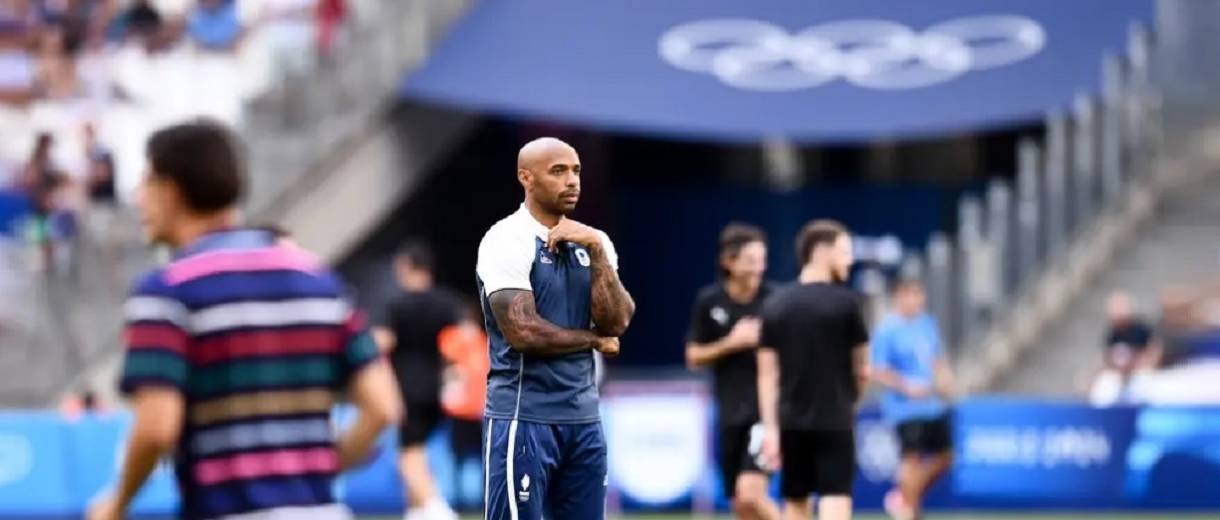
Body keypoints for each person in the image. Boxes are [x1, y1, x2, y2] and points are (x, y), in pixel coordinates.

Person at [86, 120, 402, 520]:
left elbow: (156, 428)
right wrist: (322, 468)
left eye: (145, 183)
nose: (137, 198)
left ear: (170, 191)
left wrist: (116, 504)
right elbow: (383, 407)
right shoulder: (320, 282)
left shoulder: (167, 290)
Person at [477, 137, 635, 520]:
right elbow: (524, 332)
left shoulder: (594, 241)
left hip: (584, 419)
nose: (572, 181)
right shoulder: (506, 239)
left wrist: (597, 252)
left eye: (577, 170)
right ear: (526, 178)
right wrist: (594, 340)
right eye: (558, 171)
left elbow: (619, 320)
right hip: (524, 416)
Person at [757, 219, 869, 520]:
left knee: (795, 504)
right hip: (836, 420)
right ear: (820, 252)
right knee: (835, 501)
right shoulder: (848, 304)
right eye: (844, 251)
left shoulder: (775, 305)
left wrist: (770, 427)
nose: (850, 259)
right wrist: (851, 398)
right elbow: (863, 369)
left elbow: (767, 374)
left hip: (791, 422)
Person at [685, 222, 778, 520]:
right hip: (729, 413)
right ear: (729, 261)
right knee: (740, 502)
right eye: (751, 261)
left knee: (752, 492)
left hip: (766, 413)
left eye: (762, 260)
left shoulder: (775, 301)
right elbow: (694, 356)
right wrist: (732, 342)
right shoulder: (709, 301)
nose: (758, 268)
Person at [374, 241, 462, 520]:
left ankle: (437, 510)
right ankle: (416, 511)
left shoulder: (396, 304)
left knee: (407, 455)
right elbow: (461, 343)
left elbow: (382, 343)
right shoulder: (448, 303)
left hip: (406, 388)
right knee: (419, 450)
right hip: (440, 388)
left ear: (407, 267)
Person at [870, 280, 955, 520]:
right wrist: (906, 386)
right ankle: (910, 510)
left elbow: (936, 358)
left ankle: (904, 497)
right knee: (912, 459)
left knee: (946, 456)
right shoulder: (887, 329)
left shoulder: (927, 324)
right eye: (908, 295)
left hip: (933, 405)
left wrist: (945, 377)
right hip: (904, 409)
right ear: (898, 298)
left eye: (917, 295)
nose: (913, 301)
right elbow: (878, 369)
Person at [437, 304, 490, 512]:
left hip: (477, 410)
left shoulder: (480, 341)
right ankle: (458, 500)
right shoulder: (451, 338)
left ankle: (484, 500)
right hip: (460, 410)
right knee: (459, 457)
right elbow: (447, 367)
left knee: (481, 458)